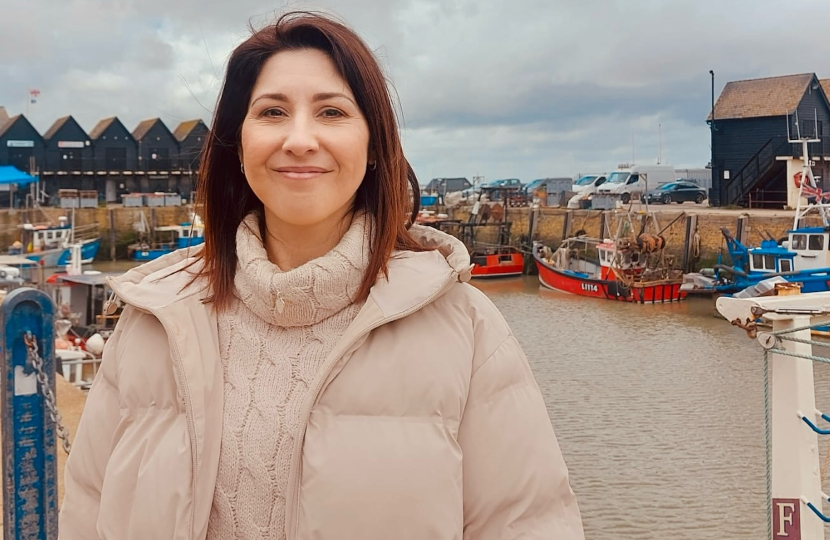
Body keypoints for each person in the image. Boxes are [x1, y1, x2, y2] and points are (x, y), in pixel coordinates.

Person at [59, 11, 583, 540]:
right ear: (238, 146)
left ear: (375, 145)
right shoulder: (155, 321)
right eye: (272, 112)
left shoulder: (467, 331)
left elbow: (527, 522)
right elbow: (87, 507)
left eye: (331, 112)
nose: (300, 139)